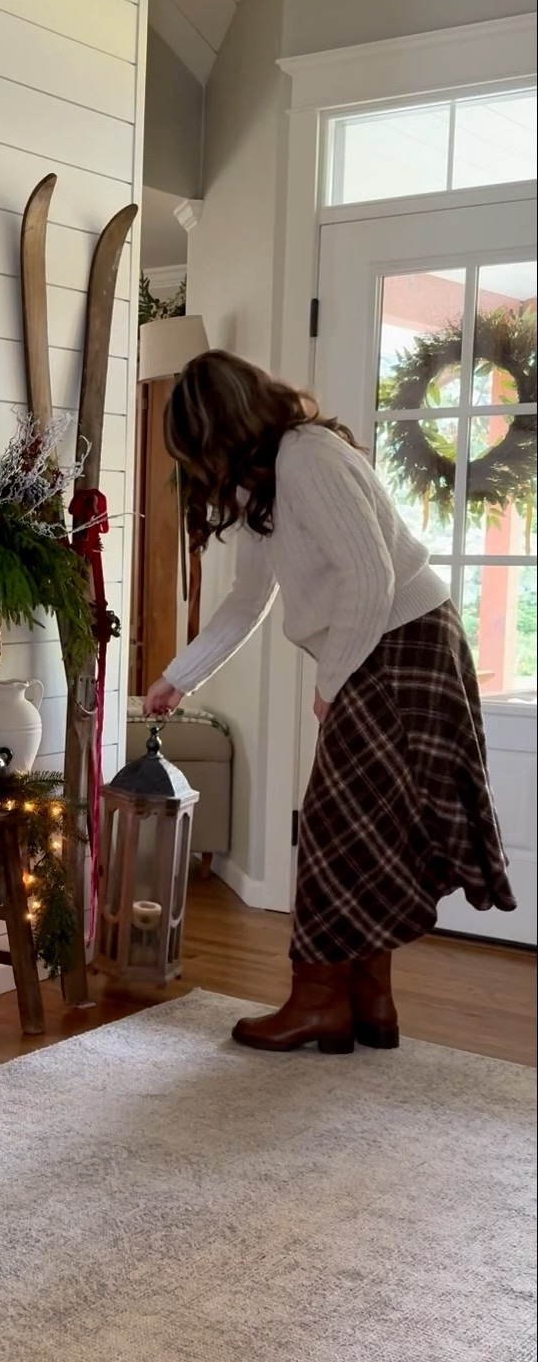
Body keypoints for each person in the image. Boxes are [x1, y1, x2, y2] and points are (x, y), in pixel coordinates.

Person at [144, 350, 516, 1056]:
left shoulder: (306, 457)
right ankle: (366, 1003)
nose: (202, 467)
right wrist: (179, 677)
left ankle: (321, 1001)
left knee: (331, 825)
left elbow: (370, 577)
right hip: (380, 646)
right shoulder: (265, 485)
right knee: (367, 827)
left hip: (404, 647)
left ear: (226, 426)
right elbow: (248, 599)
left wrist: (330, 684)